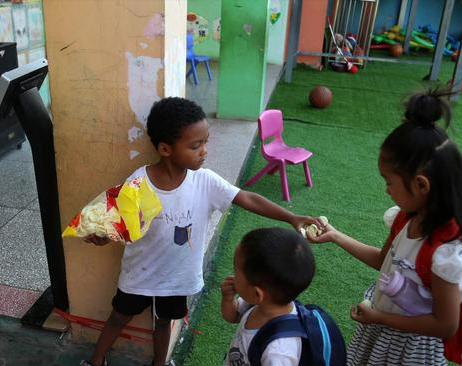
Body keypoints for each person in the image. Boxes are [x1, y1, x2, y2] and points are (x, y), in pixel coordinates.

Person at [80, 97, 323, 366]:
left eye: (206, 142)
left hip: (176, 279)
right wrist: (103, 236)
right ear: (165, 148)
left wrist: (291, 217)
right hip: (139, 274)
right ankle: (96, 360)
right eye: (196, 146)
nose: (204, 151)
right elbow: (122, 224)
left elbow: (248, 199)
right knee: (119, 317)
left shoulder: (205, 181)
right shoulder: (139, 182)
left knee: (164, 324)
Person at [310, 88, 462, 365]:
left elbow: (446, 325)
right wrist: (335, 236)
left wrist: (380, 318)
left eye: (389, 181)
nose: (387, 190)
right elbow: (384, 260)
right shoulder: (407, 216)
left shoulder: (444, 253)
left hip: (410, 350)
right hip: (381, 330)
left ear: (421, 185)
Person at [221, 228, 315, 365]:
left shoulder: (278, 352)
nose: (233, 276)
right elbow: (233, 316)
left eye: (236, 270)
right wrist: (228, 299)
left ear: (257, 294)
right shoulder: (262, 303)